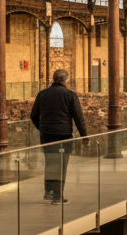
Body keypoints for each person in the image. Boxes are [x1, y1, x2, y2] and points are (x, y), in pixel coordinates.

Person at [29, 69, 89, 205]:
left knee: (51, 163)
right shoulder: (70, 95)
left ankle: (48, 191)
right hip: (64, 135)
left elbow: (33, 116)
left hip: (46, 136)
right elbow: (78, 117)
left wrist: (42, 128)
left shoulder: (42, 94)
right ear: (66, 80)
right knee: (61, 165)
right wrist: (84, 135)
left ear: (54, 79)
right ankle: (57, 197)